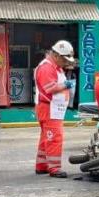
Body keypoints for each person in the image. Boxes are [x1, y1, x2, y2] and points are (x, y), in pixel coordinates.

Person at [34, 40, 76, 178]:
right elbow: (50, 88)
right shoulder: (47, 68)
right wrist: (66, 85)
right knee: (54, 138)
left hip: (53, 108)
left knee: (46, 137)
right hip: (49, 108)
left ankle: (42, 165)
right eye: (64, 59)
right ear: (57, 55)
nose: (66, 62)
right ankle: (54, 168)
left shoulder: (54, 66)